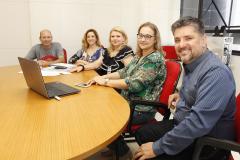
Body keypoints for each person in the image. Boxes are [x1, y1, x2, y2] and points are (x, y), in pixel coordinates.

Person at [133, 16, 236, 160]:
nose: (181, 45)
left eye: (188, 38)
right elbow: (196, 87)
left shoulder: (216, 73)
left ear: (204, 40)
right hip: (183, 123)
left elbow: (197, 123)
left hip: (206, 141)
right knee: (143, 133)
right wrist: (181, 94)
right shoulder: (193, 62)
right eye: (177, 40)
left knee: (150, 154)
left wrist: (157, 148)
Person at [92, 22, 166, 159]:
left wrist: (106, 82)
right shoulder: (140, 55)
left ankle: (123, 152)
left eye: (148, 36)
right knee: (97, 108)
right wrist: (101, 77)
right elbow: (124, 72)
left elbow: (135, 84)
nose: (143, 39)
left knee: (102, 118)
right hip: (128, 102)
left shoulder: (155, 59)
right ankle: (115, 146)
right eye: (141, 35)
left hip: (141, 108)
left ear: (155, 39)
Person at [70, 26, 134, 75]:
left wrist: (105, 79)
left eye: (118, 36)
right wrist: (82, 67)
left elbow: (128, 73)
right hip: (102, 81)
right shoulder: (107, 51)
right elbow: (96, 64)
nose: (115, 38)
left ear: (124, 38)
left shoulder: (126, 51)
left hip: (114, 86)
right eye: (112, 36)